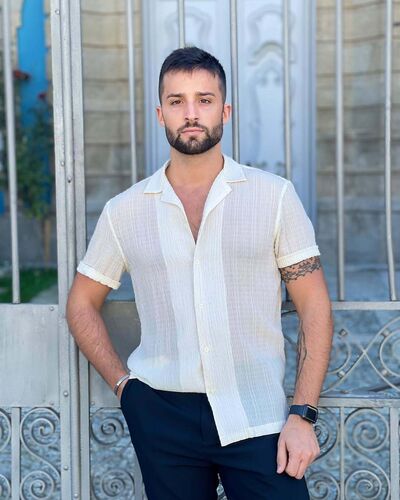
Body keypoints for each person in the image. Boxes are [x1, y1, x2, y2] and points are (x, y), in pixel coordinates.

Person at [66, 46, 333, 499]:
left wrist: (302, 414)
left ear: (225, 111)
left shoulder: (273, 197)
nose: (191, 113)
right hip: (162, 417)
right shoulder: (124, 211)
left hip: (258, 414)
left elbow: (314, 306)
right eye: (177, 101)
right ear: (160, 114)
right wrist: (125, 387)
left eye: (204, 100)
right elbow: (81, 304)